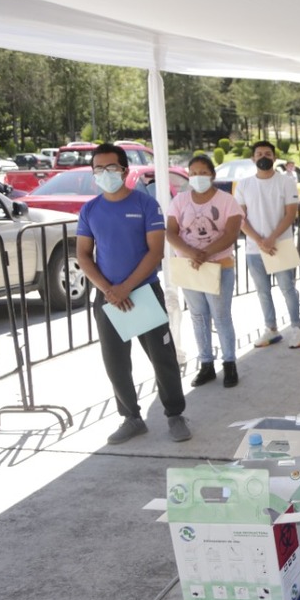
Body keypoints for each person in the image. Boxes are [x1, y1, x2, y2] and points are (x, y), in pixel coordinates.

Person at [76, 143, 191, 444]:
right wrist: (109, 290)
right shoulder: (90, 210)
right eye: (98, 169)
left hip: (143, 292)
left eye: (110, 167)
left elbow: (155, 252)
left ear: (124, 170)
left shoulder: (145, 205)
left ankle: (175, 414)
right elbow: (84, 255)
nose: (105, 173)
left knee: (162, 357)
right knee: (115, 362)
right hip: (108, 297)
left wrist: (125, 288)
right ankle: (131, 418)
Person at [165, 154, 243, 388]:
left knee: (221, 316)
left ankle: (229, 364)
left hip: (219, 266)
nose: (198, 177)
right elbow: (170, 232)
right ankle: (206, 364)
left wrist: (204, 253)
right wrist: (192, 253)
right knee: (198, 316)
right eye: (193, 173)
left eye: (203, 173)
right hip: (189, 267)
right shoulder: (180, 200)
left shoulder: (227, 201)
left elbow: (231, 234)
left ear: (212, 175)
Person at [236, 140, 300, 349]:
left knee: (288, 288)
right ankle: (271, 329)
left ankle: (297, 328)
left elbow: (290, 214)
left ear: (274, 158)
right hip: (254, 249)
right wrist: (260, 241)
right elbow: (240, 218)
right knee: (263, 291)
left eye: (267, 154)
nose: (263, 157)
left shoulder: (286, 181)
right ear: (253, 158)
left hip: (281, 244)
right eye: (259, 154)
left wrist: (272, 238)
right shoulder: (244, 184)